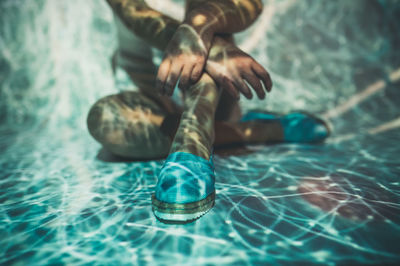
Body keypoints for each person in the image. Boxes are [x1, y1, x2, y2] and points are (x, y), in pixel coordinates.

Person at [87, 0, 330, 223]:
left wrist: (200, 24)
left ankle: (192, 148)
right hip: (150, 107)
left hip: (214, 104)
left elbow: (250, 4)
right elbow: (136, 15)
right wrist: (211, 49)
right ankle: (258, 130)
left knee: (205, 19)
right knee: (104, 119)